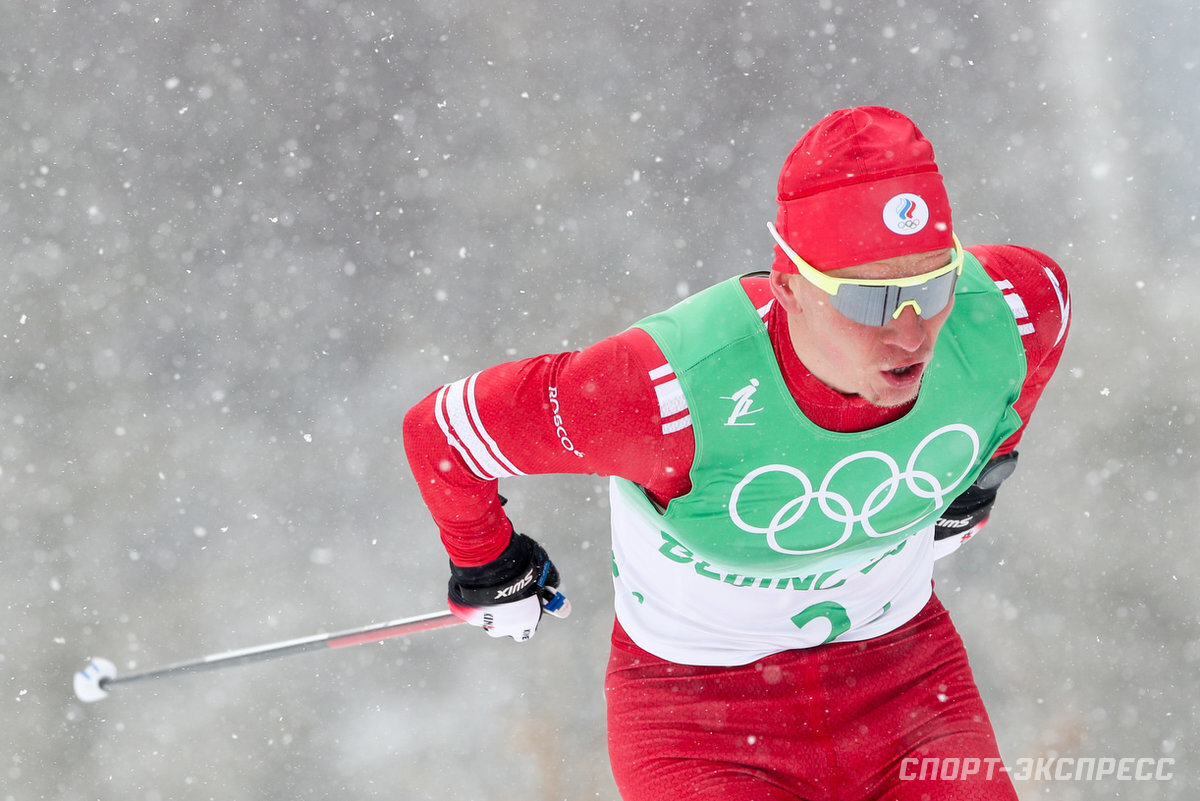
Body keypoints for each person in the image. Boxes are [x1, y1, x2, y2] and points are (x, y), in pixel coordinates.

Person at [403, 106, 1071, 800]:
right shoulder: (667, 391)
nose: (910, 332)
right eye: (871, 302)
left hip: (906, 686)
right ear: (789, 288)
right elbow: (442, 433)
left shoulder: (1005, 312)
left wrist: (982, 473)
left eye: (932, 286)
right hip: (700, 722)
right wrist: (487, 563)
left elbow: (1046, 321)